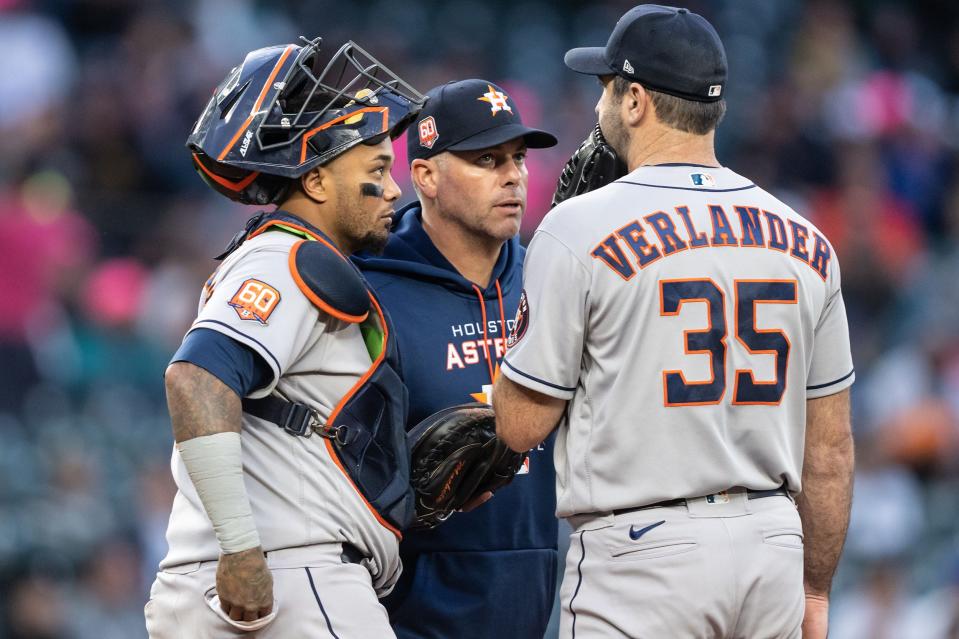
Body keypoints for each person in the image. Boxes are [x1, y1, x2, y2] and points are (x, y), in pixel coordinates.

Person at [492, 5, 855, 639]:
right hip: (771, 545)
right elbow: (828, 452)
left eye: (605, 88)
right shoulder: (806, 238)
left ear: (634, 100)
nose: (600, 107)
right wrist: (816, 589)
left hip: (642, 551)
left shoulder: (579, 226)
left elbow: (520, 427)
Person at [144, 37, 425, 638]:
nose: (394, 189)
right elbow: (194, 380)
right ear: (318, 181)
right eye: (376, 169)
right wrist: (243, 551)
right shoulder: (284, 259)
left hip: (257, 579)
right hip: (286, 577)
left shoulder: (283, 257)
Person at [355, 79, 560, 638]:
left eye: (517, 157)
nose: (514, 175)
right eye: (485, 160)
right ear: (425, 176)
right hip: (406, 613)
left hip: (535, 602)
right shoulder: (367, 290)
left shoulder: (550, 275)